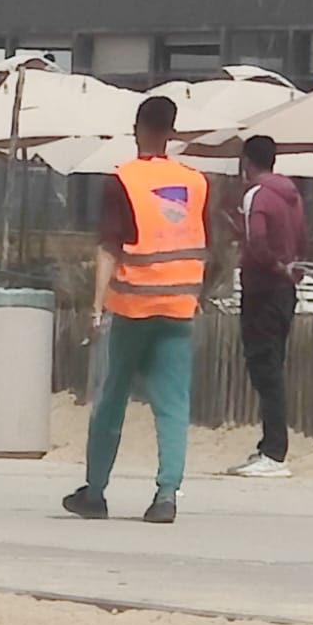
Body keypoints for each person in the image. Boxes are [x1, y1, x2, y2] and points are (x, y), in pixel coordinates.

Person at [64, 95, 208, 525]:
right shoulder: (196, 182)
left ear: (136, 128)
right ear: (172, 131)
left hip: (132, 303)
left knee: (111, 398)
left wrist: (95, 308)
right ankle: (166, 495)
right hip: (180, 304)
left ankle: (95, 492)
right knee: (173, 405)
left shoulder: (122, 180)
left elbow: (109, 247)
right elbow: (204, 241)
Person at [226, 134, 307, 479]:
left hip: (262, 290)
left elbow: (257, 241)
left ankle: (274, 451)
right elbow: (301, 238)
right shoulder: (292, 196)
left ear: (247, 161)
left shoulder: (256, 195)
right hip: (285, 291)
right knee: (273, 364)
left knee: (264, 369)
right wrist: (291, 268)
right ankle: (269, 446)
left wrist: (272, 264)